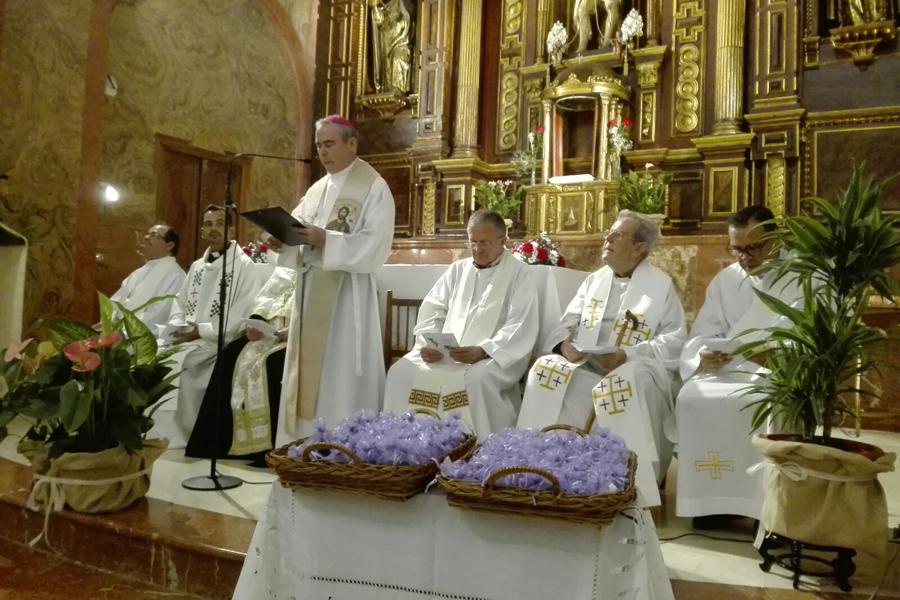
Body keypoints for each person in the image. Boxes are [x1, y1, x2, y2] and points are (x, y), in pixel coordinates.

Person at [517, 210, 687, 506]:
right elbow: (566, 323)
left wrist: (628, 354)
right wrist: (564, 346)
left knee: (628, 380)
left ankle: (626, 480)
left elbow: (674, 342)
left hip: (634, 366)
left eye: (617, 235)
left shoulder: (660, 286)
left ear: (639, 248)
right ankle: (540, 468)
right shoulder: (594, 281)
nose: (606, 239)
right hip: (587, 362)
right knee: (546, 368)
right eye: (609, 233)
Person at [675, 206, 801, 529]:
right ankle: (714, 502)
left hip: (775, 371)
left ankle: (765, 507)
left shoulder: (800, 276)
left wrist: (776, 356)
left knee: (763, 400)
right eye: (737, 249)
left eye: (753, 248)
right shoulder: (726, 281)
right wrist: (702, 355)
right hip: (727, 369)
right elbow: (703, 333)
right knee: (692, 397)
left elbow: (810, 336)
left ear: (775, 239)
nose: (745, 258)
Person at [274, 115, 395, 444]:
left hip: (346, 296)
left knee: (339, 373)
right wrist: (282, 238)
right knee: (308, 371)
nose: (322, 152)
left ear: (351, 144)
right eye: (319, 146)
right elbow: (299, 230)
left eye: (329, 144)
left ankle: (343, 443)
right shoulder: (316, 189)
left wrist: (328, 239)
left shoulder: (372, 186)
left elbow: (376, 244)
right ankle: (302, 441)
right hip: (311, 287)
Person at [383, 210, 539, 438]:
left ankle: (476, 447)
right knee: (400, 372)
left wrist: (483, 350)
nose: (477, 249)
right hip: (446, 354)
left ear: (503, 240)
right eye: (473, 242)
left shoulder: (520, 274)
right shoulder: (458, 269)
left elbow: (520, 324)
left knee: (476, 380)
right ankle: (400, 442)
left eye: (484, 242)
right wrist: (429, 343)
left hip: (492, 357)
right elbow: (433, 309)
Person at [149, 205, 265, 448]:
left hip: (217, 341)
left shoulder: (244, 267)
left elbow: (242, 311)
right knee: (157, 356)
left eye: (220, 223)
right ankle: (155, 433)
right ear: (202, 230)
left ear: (231, 230)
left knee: (187, 363)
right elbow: (180, 302)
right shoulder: (197, 267)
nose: (213, 229)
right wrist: (178, 325)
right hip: (189, 337)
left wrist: (200, 331)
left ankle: (183, 434)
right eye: (208, 224)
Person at [186, 235, 293, 464]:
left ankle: (265, 449)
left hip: (296, 336)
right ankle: (217, 444)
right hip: (269, 334)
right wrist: (255, 323)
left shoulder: (317, 272)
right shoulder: (284, 270)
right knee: (230, 353)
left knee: (272, 363)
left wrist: (293, 330)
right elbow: (264, 299)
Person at [110, 224, 185, 334]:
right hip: (118, 333)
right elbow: (117, 300)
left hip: (144, 338)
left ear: (169, 245)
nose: (146, 237)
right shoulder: (137, 273)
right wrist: (108, 323)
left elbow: (160, 312)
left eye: (154, 235)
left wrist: (126, 333)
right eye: (148, 234)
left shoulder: (175, 275)